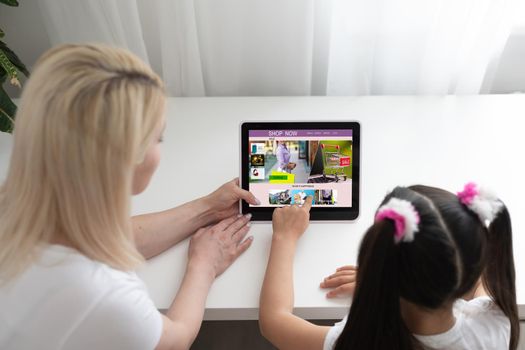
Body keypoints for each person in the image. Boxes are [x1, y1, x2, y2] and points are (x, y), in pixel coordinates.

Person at [0, 44, 259, 350]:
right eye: (158, 138)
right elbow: (173, 341)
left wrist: (205, 209)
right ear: (125, 157)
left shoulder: (19, 209)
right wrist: (204, 265)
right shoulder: (102, 294)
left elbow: (103, 238)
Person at [259, 183, 519, 350]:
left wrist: (285, 237)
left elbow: (274, 321)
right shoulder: (495, 324)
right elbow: (476, 273)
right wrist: (395, 274)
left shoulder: (355, 343)